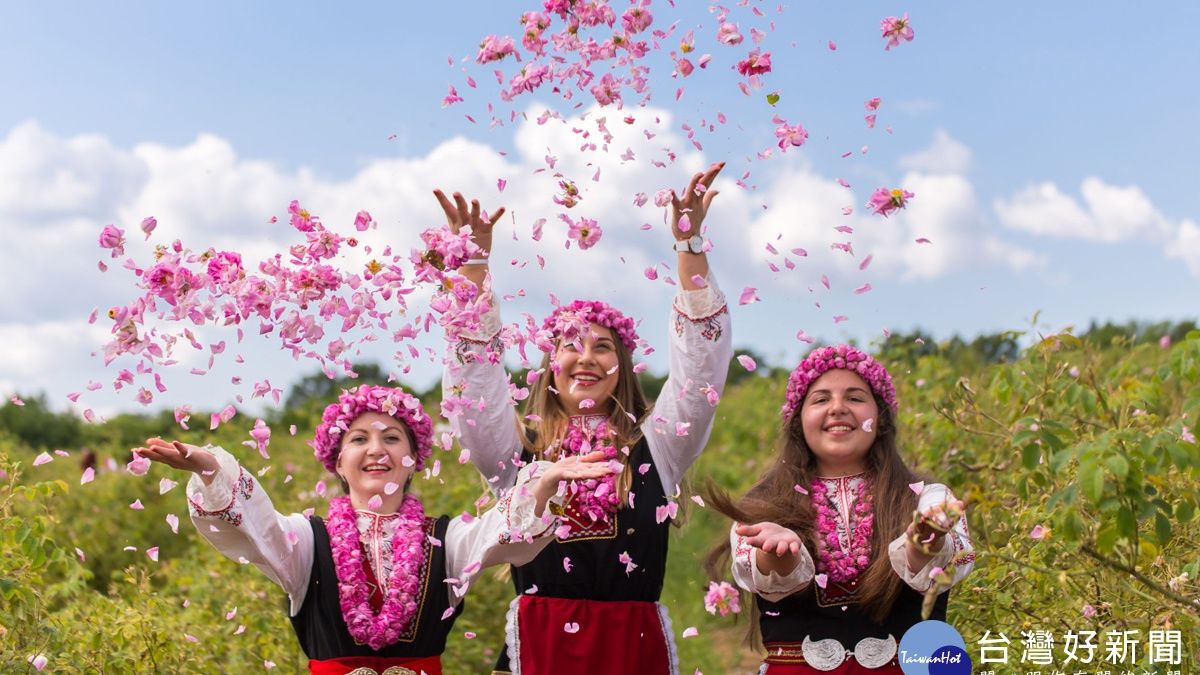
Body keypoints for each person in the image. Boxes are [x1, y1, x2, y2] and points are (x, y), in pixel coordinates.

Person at [434, 162, 733, 675]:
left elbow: (699, 375)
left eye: (603, 347)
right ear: (552, 364)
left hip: (630, 651)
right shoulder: (515, 456)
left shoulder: (657, 446)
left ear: (622, 367)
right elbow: (475, 389)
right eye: (571, 345)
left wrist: (690, 248)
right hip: (540, 649)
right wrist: (473, 270)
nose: (587, 357)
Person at [132, 384, 612, 675]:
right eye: (359, 439)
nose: (376, 449)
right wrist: (210, 468)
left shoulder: (447, 541)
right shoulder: (305, 541)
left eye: (392, 438)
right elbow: (257, 525)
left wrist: (545, 480)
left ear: (413, 459)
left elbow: (501, 532)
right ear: (338, 461)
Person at [707, 344, 974, 674]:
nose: (838, 408)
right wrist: (779, 554)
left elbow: (941, 557)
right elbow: (769, 574)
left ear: (881, 418)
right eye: (820, 399)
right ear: (798, 421)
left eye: (855, 398)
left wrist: (925, 543)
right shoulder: (765, 506)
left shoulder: (926, 498)